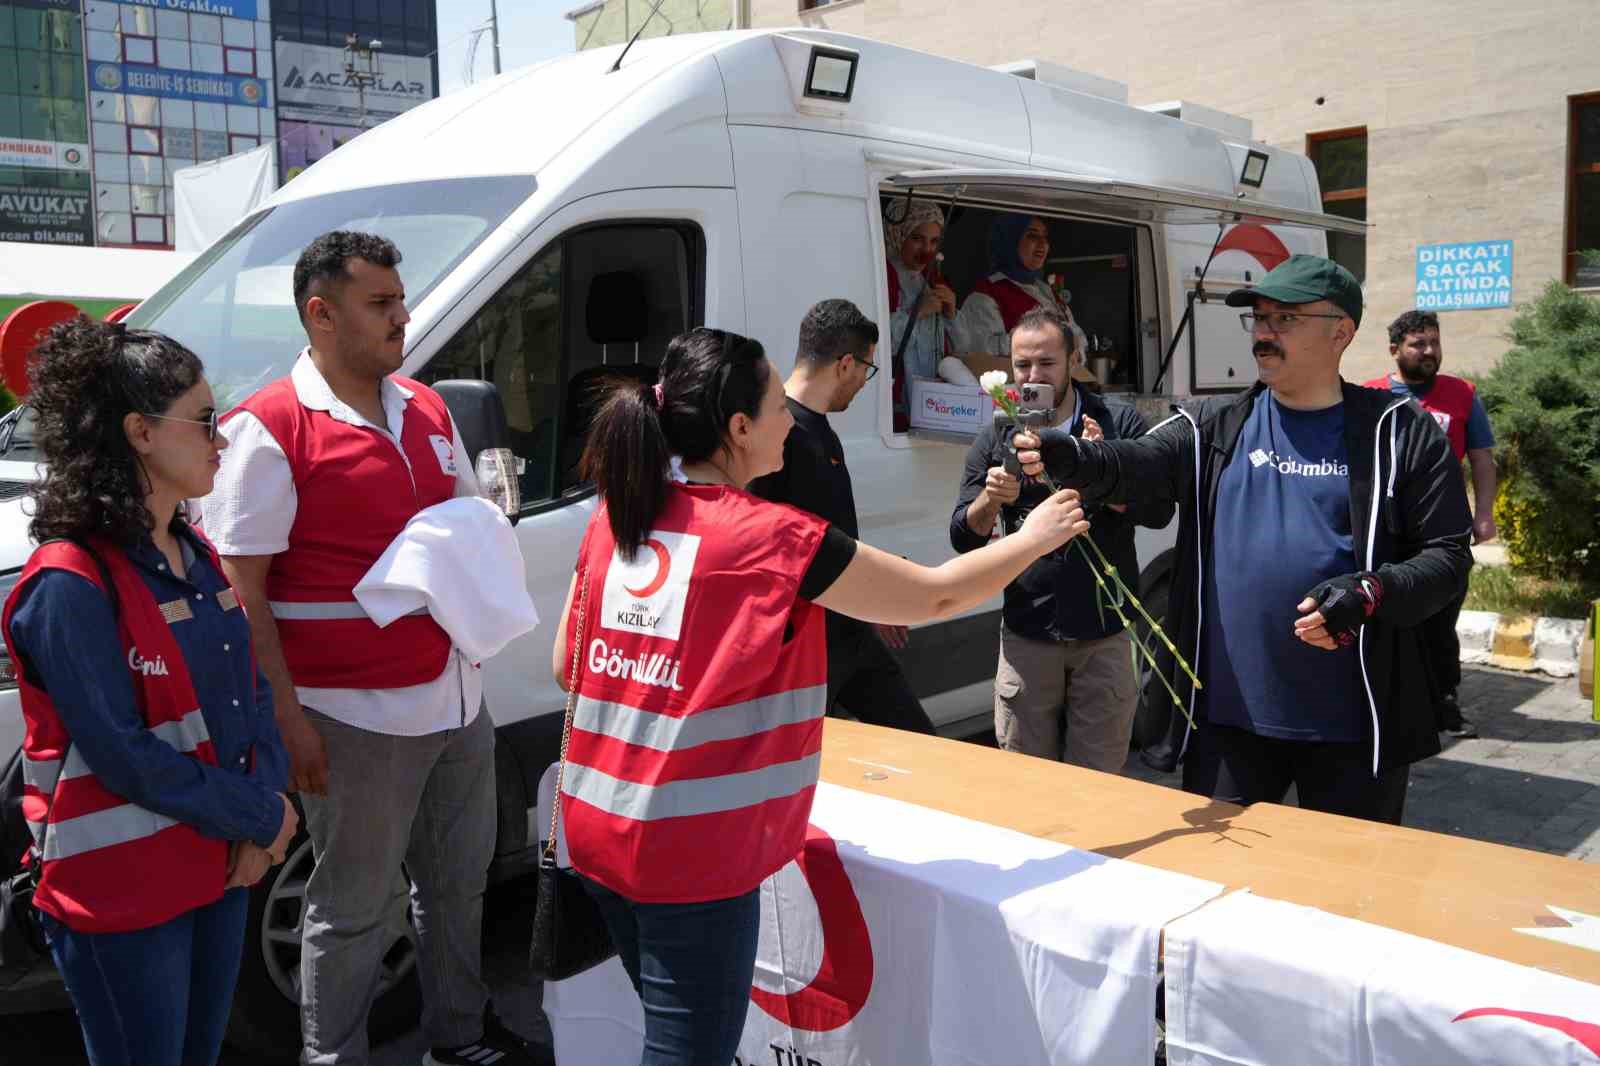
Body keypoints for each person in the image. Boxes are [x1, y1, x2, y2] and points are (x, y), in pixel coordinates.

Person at [550, 327, 1089, 1066]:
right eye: (776, 406)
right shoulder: (771, 539)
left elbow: (567, 666)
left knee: (673, 1030)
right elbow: (930, 599)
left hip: (599, 830)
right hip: (690, 854)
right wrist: (1037, 537)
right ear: (738, 429)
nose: (789, 421)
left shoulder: (618, 514)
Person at [200, 232, 546, 1066]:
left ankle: (457, 1038)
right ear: (320, 314)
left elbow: (470, 521)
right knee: (353, 909)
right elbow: (242, 589)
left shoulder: (424, 408)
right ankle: (335, 1057)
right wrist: (287, 719)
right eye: (380, 304)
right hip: (350, 717)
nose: (402, 317)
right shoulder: (271, 428)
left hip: (455, 700)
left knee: (458, 886)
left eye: (400, 299)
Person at [1012, 255, 1473, 825]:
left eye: (1284, 318)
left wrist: (1371, 590)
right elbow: (1140, 462)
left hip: (1355, 726)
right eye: (1258, 318)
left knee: (1348, 898)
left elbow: (1448, 558)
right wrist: (1077, 457)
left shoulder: (1399, 432)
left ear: (1341, 332)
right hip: (1231, 725)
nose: (1263, 332)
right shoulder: (1214, 425)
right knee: (1219, 895)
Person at [3, 318, 298, 1066]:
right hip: (122, 898)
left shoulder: (194, 550)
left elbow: (249, 694)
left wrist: (258, 826)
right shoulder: (68, 583)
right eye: (204, 421)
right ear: (139, 432)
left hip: (221, 868)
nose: (221, 441)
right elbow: (121, 756)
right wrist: (261, 812)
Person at [950, 306, 1173, 770]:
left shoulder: (1117, 424)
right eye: (1022, 365)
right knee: (1030, 786)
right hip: (1028, 633)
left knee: (1097, 784)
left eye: (1047, 363)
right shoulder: (1000, 430)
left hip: (1105, 632)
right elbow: (962, 537)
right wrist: (991, 501)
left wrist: (1100, 468)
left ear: (1074, 360)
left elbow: (1158, 510)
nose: (1033, 375)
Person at [749, 299, 936, 735]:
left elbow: (833, 533)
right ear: (846, 363)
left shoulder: (820, 429)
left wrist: (872, 598)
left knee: (920, 745)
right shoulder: (780, 437)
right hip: (806, 645)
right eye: (867, 370)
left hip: (851, 632)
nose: (863, 383)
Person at [1363, 310, 1496, 739]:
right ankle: (1382, 701)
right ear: (1395, 350)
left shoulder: (1462, 395)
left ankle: (1444, 703)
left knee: (1440, 617)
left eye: (1434, 343)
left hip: (1444, 526)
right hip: (1385, 526)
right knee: (1384, 612)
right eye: (1419, 344)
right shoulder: (1370, 396)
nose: (1429, 352)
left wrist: (1484, 513)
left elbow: (1481, 458)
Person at [953, 214, 1089, 357]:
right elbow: (979, 351)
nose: (1043, 244)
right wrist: (1032, 338)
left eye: (1045, 237)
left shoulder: (1046, 291)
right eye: (1032, 236)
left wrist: (1076, 353)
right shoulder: (986, 295)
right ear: (1010, 241)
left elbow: (1079, 339)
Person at [884, 199, 955, 431]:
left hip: (934, 407)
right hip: (892, 407)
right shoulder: (884, 275)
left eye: (934, 241)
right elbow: (879, 341)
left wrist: (952, 315)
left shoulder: (935, 280)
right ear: (898, 235)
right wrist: (918, 312)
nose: (927, 250)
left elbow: (959, 350)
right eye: (917, 239)